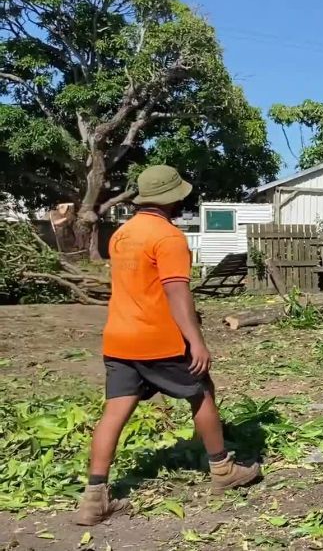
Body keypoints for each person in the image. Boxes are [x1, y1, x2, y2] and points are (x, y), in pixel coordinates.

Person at [75, 165, 260, 526]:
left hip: (119, 338)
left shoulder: (122, 235)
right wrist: (197, 341)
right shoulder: (169, 237)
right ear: (174, 198)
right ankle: (222, 470)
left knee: (114, 413)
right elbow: (176, 293)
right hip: (157, 339)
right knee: (202, 392)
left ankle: (93, 499)